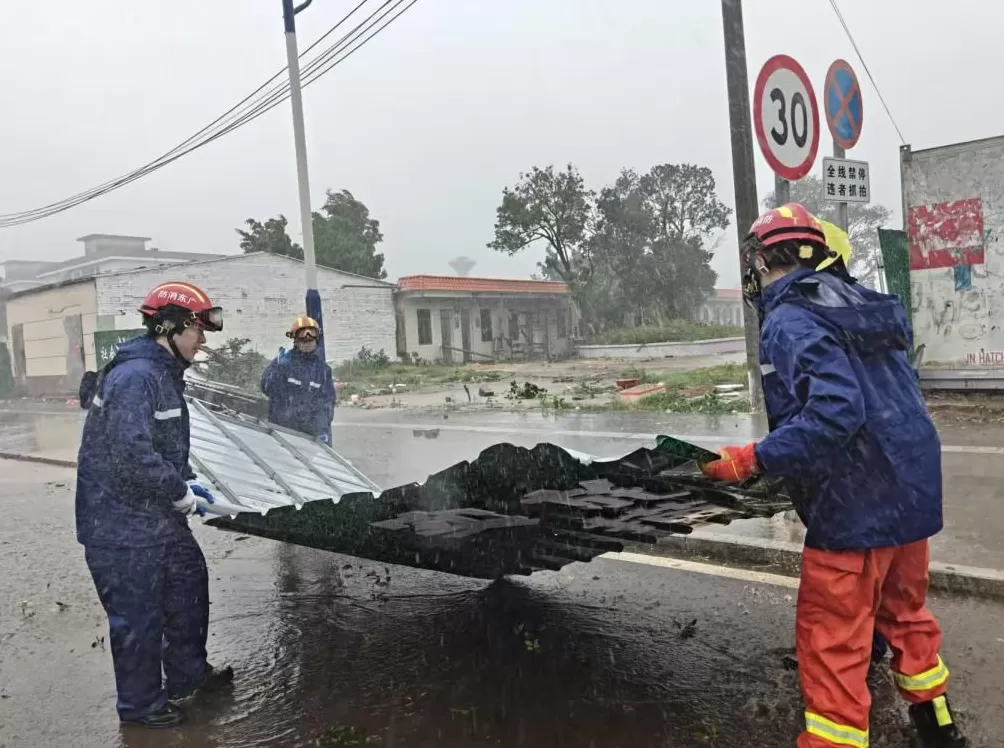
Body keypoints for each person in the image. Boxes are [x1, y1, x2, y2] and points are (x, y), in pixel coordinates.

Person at [702, 203, 968, 748]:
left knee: (833, 646)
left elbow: (836, 411)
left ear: (760, 262)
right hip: (909, 497)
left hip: (855, 506)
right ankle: (940, 732)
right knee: (908, 618)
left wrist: (754, 459)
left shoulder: (790, 319)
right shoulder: (860, 302)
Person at [76, 281, 234, 728]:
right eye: (198, 330)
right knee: (138, 617)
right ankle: (140, 707)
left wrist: (184, 481)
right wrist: (179, 492)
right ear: (170, 328)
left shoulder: (161, 372)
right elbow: (131, 452)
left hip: (154, 515)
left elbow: (159, 443)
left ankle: (188, 675)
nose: (203, 340)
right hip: (119, 524)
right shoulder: (137, 376)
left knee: (187, 585)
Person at [260, 316, 335, 443]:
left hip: (308, 436)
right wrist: (279, 369)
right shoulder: (283, 363)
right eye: (302, 334)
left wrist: (322, 430)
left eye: (311, 333)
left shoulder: (323, 371)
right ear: (295, 338)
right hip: (281, 432)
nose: (307, 338)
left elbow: (326, 404)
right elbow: (267, 388)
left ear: (317, 337)